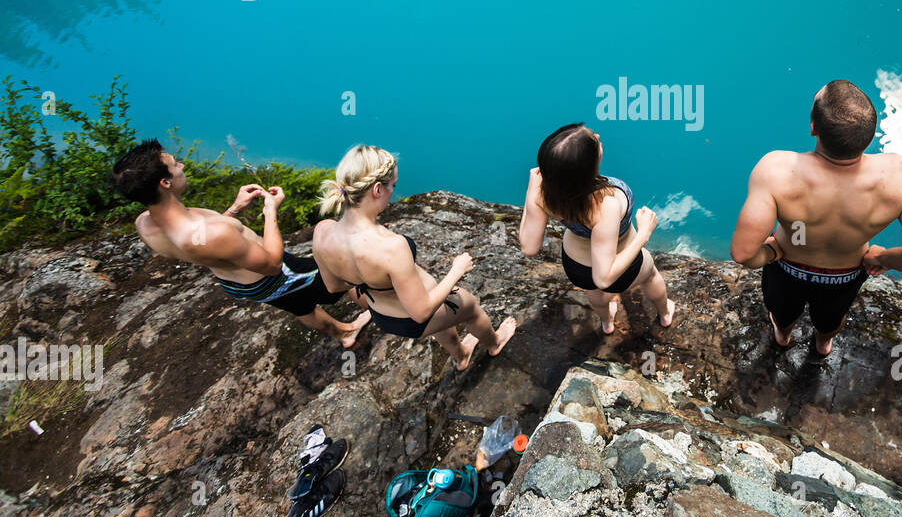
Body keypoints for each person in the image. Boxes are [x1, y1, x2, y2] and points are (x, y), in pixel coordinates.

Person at [730, 80, 902, 358]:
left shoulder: (776, 170)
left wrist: (771, 252)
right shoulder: (900, 176)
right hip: (844, 275)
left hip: (788, 269)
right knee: (831, 319)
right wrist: (885, 258)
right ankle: (823, 345)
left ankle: (783, 337)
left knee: (782, 312)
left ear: (813, 128)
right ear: (870, 137)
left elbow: (743, 253)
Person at [111, 139, 368, 347]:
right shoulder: (212, 233)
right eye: (174, 164)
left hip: (237, 282)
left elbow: (203, 245)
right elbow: (272, 264)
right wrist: (271, 212)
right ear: (165, 183)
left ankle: (344, 333)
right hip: (272, 276)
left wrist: (234, 209)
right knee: (344, 273)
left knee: (299, 306)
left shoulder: (145, 223)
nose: (182, 165)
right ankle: (390, 311)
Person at [311, 144, 515, 370]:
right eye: (393, 186)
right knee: (470, 307)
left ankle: (461, 356)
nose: (393, 192)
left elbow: (332, 286)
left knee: (442, 320)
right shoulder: (391, 247)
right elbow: (421, 312)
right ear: (377, 189)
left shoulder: (322, 231)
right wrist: (456, 270)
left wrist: (371, 284)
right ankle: (495, 343)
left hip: (381, 314)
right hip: (412, 317)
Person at [518, 123, 675, 334]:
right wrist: (644, 234)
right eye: (594, 140)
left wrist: (531, 192)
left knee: (594, 292)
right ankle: (665, 313)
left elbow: (529, 247)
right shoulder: (605, 205)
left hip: (576, 265)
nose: (598, 136)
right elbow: (604, 277)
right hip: (619, 269)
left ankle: (607, 321)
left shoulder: (543, 192)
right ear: (588, 167)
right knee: (651, 276)